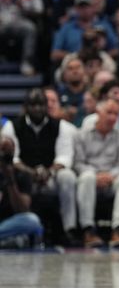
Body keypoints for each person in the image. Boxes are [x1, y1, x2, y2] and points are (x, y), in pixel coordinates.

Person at [1, 89, 78, 245]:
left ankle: (70, 230)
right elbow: (13, 158)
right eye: (33, 105)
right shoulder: (12, 126)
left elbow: (64, 157)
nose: (37, 109)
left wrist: (48, 172)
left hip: (50, 176)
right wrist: (30, 173)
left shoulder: (61, 126)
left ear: (47, 105)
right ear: (26, 106)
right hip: (23, 174)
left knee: (68, 176)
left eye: (41, 104)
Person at [74, 98, 119, 248]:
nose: (112, 117)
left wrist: (110, 176)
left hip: (112, 179)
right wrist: (95, 175)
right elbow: (78, 163)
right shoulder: (81, 135)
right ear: (98, 113)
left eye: (115, 114)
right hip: (90, 179)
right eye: (109, 113)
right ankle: (88, 230)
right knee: (86, 177)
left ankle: (118, 230)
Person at [0, 136, 43, 246]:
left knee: (33, 221)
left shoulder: (21, 174)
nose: (3, 155)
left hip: (10, 223)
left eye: (6, 152)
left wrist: (10, 180)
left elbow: (22, 209)